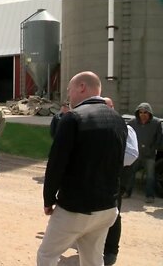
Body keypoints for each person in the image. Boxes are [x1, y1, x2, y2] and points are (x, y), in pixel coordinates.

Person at [37, 71, 127, 266]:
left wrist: (48, 199)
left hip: (76, 208)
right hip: (108, 208)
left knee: (47, 256)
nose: (68, 95)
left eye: (69, 90)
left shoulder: (73, 118)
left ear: (82, 87)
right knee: (93, 259)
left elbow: (56, 164)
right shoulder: (118, 120)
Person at [102, 97, 139, 266]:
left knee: (113, 215)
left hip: (114, 178)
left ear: (113, 107)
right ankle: (93, 246)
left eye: (108, 106)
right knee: (92, 213)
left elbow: (131, 155)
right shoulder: (93, 127)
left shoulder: (126, 128)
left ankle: (110, 251)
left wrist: (107, 160)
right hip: (92, 179)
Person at [124, 102, 162, 203]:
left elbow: (158, 139)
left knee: (150, 176)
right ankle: (127, 192)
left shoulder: (156, 123)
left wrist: (152, 149)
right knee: (130, 174)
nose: (143, 115)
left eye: (145, 112)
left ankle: (150, 196)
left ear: (149, 113)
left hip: (149, 155)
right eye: (141, 112)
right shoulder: (132, 123)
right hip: (136, 154)